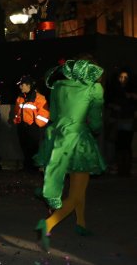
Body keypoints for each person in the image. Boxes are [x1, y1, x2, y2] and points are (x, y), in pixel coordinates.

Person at [33, 59, 107, 252]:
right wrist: (93, 128)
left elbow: (54, 115)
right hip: (79, 140)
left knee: (78, 188)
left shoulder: (57, 86)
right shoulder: (95, 89)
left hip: (57, 136)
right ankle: (47, 225)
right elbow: (96, 120)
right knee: (76, 192)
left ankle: (81, 224)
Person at [13, 75, 49, 172]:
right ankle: (27, 166)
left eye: (22, 85)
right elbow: (17, 111)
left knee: (33, 147)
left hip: (33, 126)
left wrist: (37, 123)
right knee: (24, 146)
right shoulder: (20, 98)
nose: (20, 87)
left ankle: (33, 167)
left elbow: (44, 112)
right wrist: (17, 121)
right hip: (22, 126)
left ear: (29, 85)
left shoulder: (39, 98)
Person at [105, 69, 137, 176]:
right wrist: (113, 106)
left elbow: (133, 105)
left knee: (126, 144)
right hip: (116, 119)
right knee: (116, 144)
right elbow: (107, 101)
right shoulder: (113, 89)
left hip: (127, 119)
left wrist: (132, 98)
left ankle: (127, 168)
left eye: (125, 77)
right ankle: (117, 166)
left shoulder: (132, 89)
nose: (123, 79)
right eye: (121, 77)